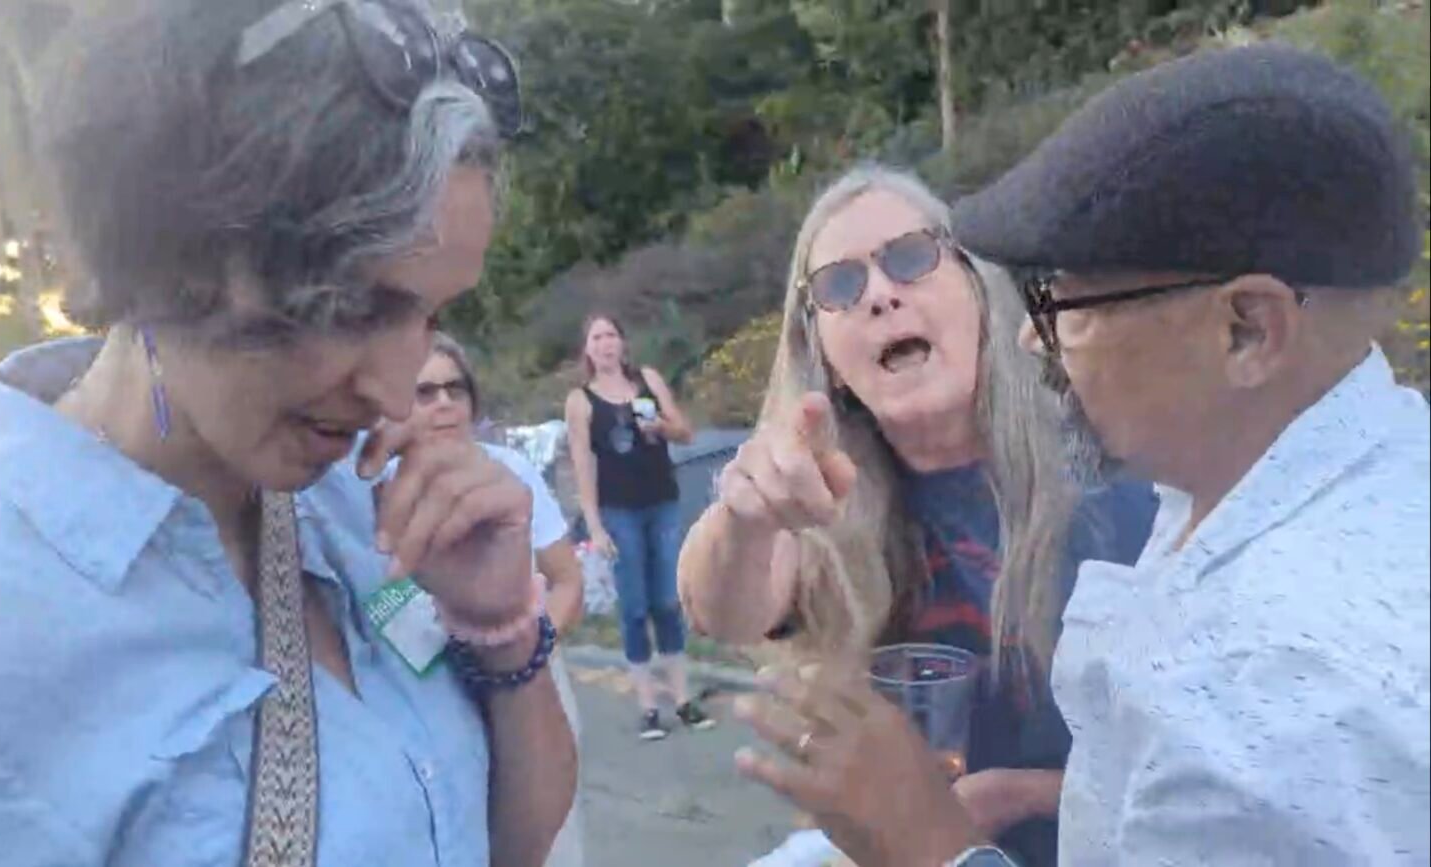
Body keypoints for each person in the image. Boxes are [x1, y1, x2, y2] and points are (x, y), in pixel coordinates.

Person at [0, 2, 576, 866]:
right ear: (173, 254)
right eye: (358, 307)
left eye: (433, 316)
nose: (399, 392)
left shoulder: (361, 505)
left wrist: (502, 628)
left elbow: (514, 844)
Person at [730, 44, 1428, 867]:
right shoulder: (1284, 482)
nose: (1033, 335)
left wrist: (927, 842)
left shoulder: (1271, 700)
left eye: (1061, 298)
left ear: (1247, 330)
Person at [677, 164, 1156, 866]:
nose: (878, 295)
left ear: (976, 291)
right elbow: (721, 609)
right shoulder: (824, 491)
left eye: (910, 258)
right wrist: (745, 516)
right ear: (826, 356)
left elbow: (1214, 765)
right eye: (840, 285)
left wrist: (1026, 793)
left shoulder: (1111, 470)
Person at [414, 331, 587, 867]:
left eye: (454, 388)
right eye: (423, 392)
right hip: (429, 696)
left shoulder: (509, 472)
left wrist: (523, 655)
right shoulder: (371, 489)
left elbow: (568, 582)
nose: (443, 402)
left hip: (525, 683)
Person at [564, 313, 715, 739]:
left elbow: (685, 433)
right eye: (597, 337)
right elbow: (583, 464)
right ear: (587, 349)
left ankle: (683, 700)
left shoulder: (647, 379)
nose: (606, 343)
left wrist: (661, 427)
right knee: (634, 608)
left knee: (668, 601)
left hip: (662, 502)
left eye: (612, 334)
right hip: (618, 511)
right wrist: (593, 525)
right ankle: (648, 707)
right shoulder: (580, 400)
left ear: (623, 343)